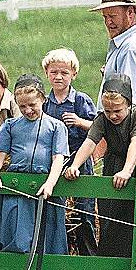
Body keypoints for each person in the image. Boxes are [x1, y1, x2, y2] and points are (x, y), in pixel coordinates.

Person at [65, 73, 136, 270]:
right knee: (110, 223)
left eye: (118, 111)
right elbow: (90, 142)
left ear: (129, 105)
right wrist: (75, 165)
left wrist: (127, 171)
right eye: (108, 111)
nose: (113, 115)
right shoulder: (102, 119)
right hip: (112, 168)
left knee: (133, 225)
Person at [0, 74, 69, 270]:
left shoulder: (56, 127)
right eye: (22, 106)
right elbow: (0, 153)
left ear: (42, 99)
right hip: (17, 192)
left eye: (32, 105)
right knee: (17, 240)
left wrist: (50, 183)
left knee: (47, 241)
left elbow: (58, 158)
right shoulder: (11, 126)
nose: (27, 110)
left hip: (45, 193)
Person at [41, 48, 97, 256]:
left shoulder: (81, 101)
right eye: (54, 72)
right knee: (56, 210)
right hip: (54, 161)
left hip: (80, 159)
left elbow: (98, 128)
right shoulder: (45, 104)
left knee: (83, 212)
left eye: (64, 73)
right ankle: (59, 259)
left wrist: (80, 122)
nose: (58, 77)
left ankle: (88, 264)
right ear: (47, 73)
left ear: (73, 74)